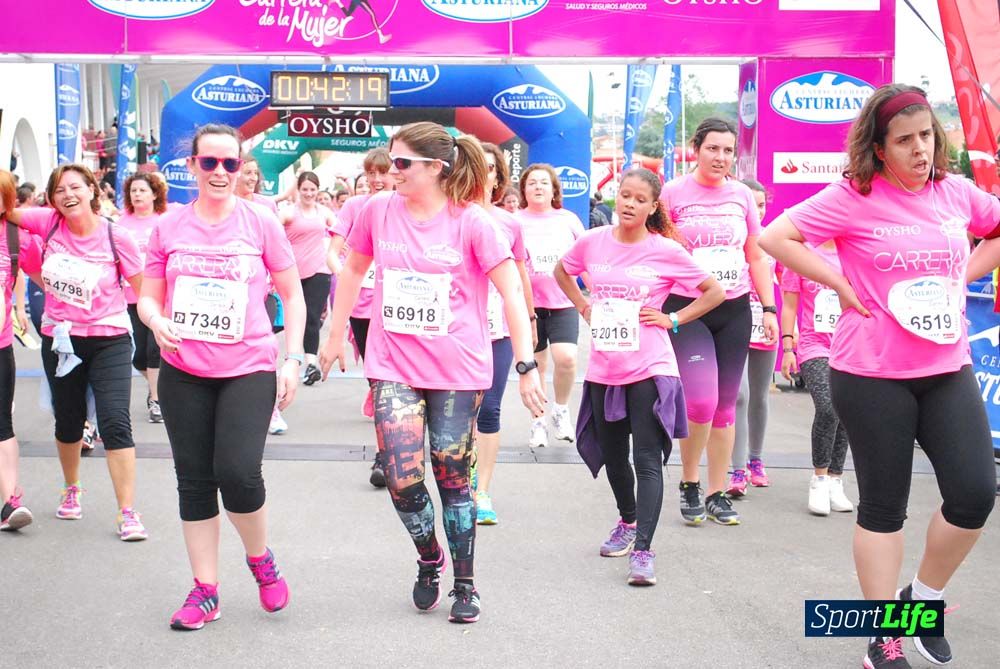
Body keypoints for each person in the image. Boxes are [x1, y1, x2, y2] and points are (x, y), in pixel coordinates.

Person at [761, 84, 999, 668]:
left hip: (946, 366)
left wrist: (962, 273)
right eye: (905, 140)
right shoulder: (853, 196)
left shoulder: (955, 192)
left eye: (927, 136)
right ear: (879, 147)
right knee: (883, 507)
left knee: (974, 492)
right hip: (871, 373)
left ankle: (923, 601)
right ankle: (884, 637)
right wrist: (839, 283)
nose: (920, 149)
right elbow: (774, 237)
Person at [319, 122, 546, 624]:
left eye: (402, 164)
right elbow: (354, 270)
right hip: (393, 361)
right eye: (390, 163)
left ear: (436, 169)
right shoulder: (377, 212)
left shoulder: (474, 222)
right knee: (401, 479)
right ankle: (429, 559)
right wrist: (333, 338)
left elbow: (511, 291)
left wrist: (527, 363)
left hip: (457, 368)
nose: (390, 173)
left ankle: (465, 582)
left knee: (451, 473)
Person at [137, 123, 306, 631]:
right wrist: (155, 319)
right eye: (208, 162)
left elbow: (292, 295)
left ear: (240, 167)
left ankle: (260, 559)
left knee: (237, 471)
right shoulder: (168, 227)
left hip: (248, 367)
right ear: (191, 167)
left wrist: (292, 357)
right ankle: (205, 589)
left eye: (229, 163)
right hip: (183, 370)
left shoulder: (261, 223)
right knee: (193, 481)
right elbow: (147, 294)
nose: (219, 172)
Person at [556, 168, 724, 585]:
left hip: (651, 366)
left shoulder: (665, 250)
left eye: (638, 199)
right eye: (623, 195)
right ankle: (627, 522)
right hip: (605, 368)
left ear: (652, 207)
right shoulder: (593, 242)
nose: (629, 203)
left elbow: (714, 291)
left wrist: (674, 319)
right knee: (614, 456)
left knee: (646, 459)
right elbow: (562, 271)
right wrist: (582, 304)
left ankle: (645, 551)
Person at [6, 163, 148, 541]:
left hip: (110, 338)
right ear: (52, 200)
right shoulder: (48, 223)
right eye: (59, 190)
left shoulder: (119, 239)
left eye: (75, 187)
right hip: (62, 339)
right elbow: (7, 208)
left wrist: (162, 325)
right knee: (68, 423)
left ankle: (127, 512)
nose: (67, 195)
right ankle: (72, 487)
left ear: (92, 190)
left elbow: (145, 291)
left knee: (115, 421)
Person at [660, 117, 778, 527]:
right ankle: (689, 482)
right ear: (696, 148)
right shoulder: (673, 192)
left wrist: (768, 308)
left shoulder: (742, 195)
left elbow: (756, 254)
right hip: (689, 309)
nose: (721, 158)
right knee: (701, 401)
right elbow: (659, 251)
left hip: (734, 308)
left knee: (727, 405)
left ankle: (716, 491)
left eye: (728, 151)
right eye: (713, 148)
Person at [472, 142, 536, 525]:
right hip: (457, 328)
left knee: (490, 408)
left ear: (498, 178)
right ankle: (458, 481)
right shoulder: (450, 214)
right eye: (477, 166)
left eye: (492, 168)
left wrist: (529, 319)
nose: (485, 174)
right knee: (459, 412)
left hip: (498, 326)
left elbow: (520, 276)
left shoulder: (509, 223)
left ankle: (482, 492)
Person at [328, 148, 394, 483]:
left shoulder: (403, 205)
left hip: (397, 307)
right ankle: (387, 453)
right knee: (378, 376)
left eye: (384, 172)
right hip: (362, 304)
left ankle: (391, 452)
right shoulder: (355, 206)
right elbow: (333, 254)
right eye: (372, 173)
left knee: (393, 380)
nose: (378, 180)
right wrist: (348, 273)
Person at [778, 239, 854, 515]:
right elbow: (789, 306)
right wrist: (788, 348)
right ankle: (819, 479)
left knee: (847, 411)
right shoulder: (801, 255)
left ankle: (836, 478)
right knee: (827, 407)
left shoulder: (855, 251)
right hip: (814, 345)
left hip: (850, 344)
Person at [516, 164, 586, 448]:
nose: (538, 187)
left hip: (562, 302)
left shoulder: (567, 219)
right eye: (532, 183)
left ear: (554, 189)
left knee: (567, 357)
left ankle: (560, 409)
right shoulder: (515, 220)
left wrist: (597, 289)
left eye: (544, 183)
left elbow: (586, 257)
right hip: (526, 305)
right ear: (524, 189)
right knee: (536, 366)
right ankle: (538, 422)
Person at [728, 179, 778, 496]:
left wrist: (790, 329)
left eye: (761, 205)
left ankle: (755, 460)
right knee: (739, 395)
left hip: (765, 323)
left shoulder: (773, 239)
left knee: (759, 395)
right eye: (752, 205)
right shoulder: (731, 239)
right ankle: (735, 470)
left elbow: (784, 285)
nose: (757, 211)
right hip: (734, 322)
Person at [0, 169, 38, 532]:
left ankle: (11, 502)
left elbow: (49, 277)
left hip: (0, 346)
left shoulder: (16, 238)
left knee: (2, 424)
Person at [119, 173, 167, 423]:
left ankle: (157, 401)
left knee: (153, 350)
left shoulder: (163, 221)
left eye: (142, 190)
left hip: (159, 296)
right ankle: (157, 386)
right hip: (129, 297)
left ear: (155, 194)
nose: (137, 195)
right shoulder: (121, 223)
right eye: (133, 191)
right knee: (138, 356)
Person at [280, 172, 336, 386]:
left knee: (312, 316)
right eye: (305, 189)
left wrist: (339, 251)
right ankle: (290, 357)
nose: (309, 193)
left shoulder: (324, 213)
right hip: (292, 271)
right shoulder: (288, 214)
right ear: (298, 190)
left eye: (313, 189)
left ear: (318, 190)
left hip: (320, 270)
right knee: (293, 317)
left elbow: (343, 231)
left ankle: (311, 364)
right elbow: (271, 233)